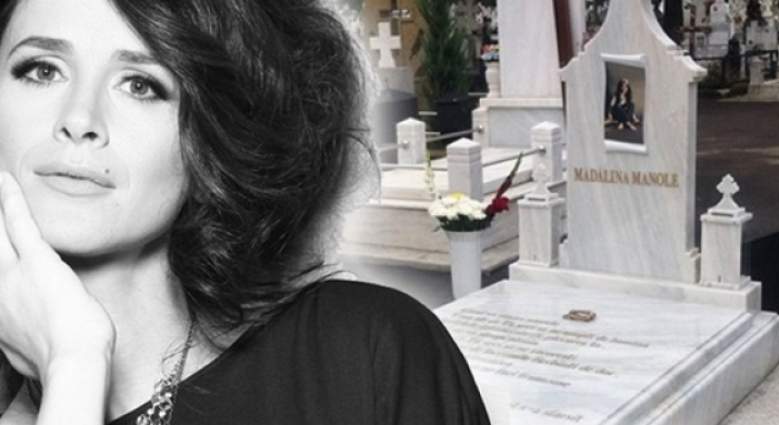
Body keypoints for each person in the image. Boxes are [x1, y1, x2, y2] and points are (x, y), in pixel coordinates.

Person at [0, 0, 490, 424]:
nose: (79, 119)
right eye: (42, 70)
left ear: (209, 138)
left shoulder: (367, 355)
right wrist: (74, 369)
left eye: (140, 85)